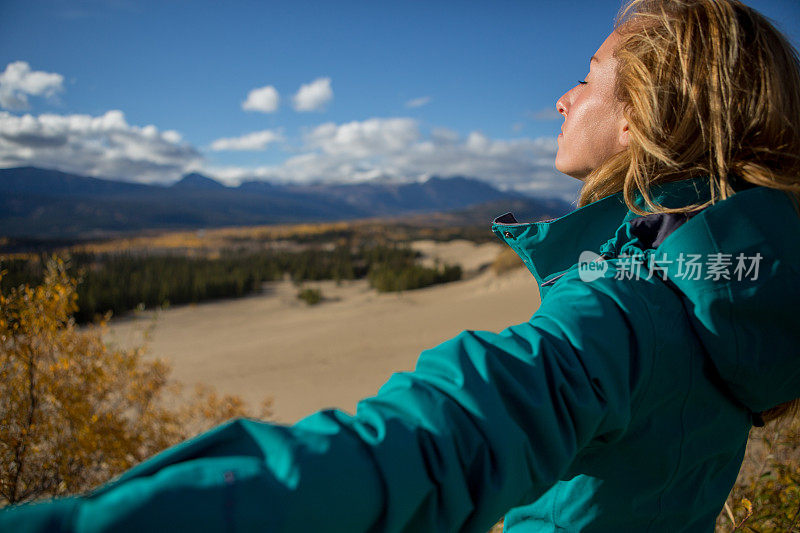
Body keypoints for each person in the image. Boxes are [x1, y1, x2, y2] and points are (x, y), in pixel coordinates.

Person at [3, 0, 800, 530]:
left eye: (587, 75)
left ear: (642, 114)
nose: (562, 98)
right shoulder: (731, 301)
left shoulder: (630, 307)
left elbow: (426, 447)